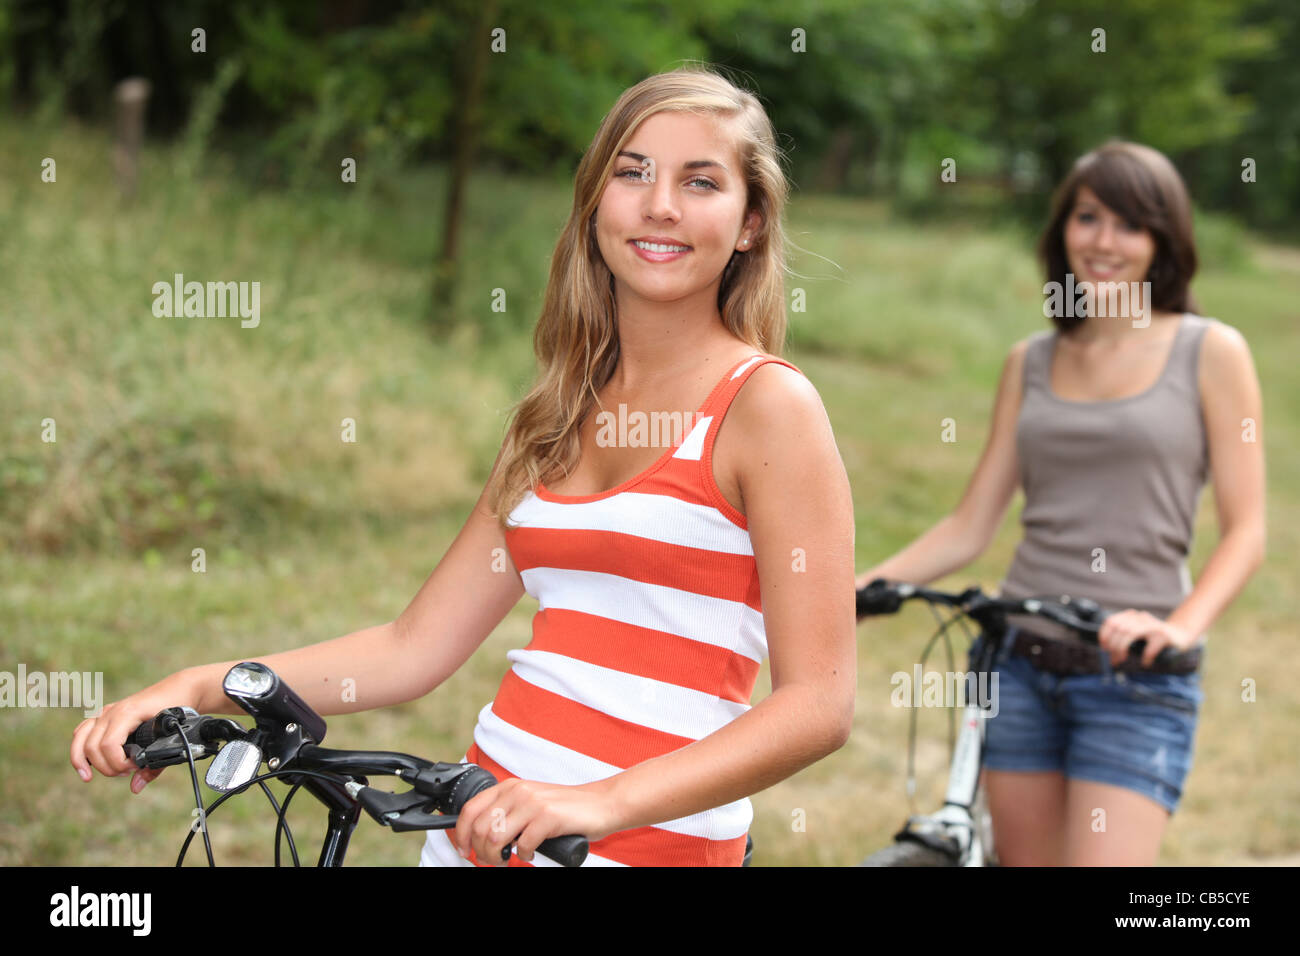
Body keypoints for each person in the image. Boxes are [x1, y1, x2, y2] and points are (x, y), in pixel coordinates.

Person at [70, 66, 856, 867]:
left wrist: (598, 799)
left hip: (639, 848)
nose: (660, 204)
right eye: (633, 172)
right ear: (595, 203)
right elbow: (413, 648)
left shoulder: (767, 408)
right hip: (478, 828)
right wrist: (206, 685)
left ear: (751, 221)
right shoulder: (553, 413)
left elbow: (819, 705)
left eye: (700, 181)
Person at [855, 141, 1265, 866]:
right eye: (1088, 217)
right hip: (1018, 665)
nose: (1104, 242)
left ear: (1163, 241)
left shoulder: (1211, 351)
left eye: (1130, 224)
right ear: (1062, 230)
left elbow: (1247, 531)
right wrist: (863, 586)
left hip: (1134, 678)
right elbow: (971, 522)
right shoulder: (1031, 362)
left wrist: (1180, 628)